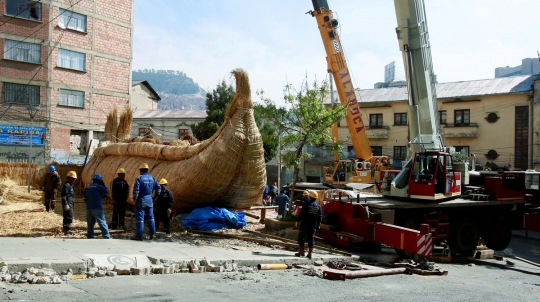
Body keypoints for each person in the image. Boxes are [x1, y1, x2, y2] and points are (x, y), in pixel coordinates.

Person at [131, 163, 160, 241]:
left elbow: (136, 191)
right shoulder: (152, 178)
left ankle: (139, 236)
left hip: (141, 200)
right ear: (147, 170)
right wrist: (155, 198)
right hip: (149, 200)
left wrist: (135, 200)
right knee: (151, 218)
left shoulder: (139, 178)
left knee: (140, 219)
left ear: (140, 170)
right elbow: (158, 189)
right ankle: (152, 234)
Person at [295, 190, 322, 259]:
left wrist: (297, 221)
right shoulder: (318, 206)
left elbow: (301, 213)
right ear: (316, 198)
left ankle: (301, 252)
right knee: (311, 239)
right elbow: (319, 217)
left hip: (304, 224)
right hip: (312, 225)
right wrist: (318, 224)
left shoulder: (306, 204)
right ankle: (310, 254)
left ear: (310, 197)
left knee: (301, 238)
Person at [83, 174, 110, 239]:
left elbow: (84, 198)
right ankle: (106, 236)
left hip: (89, 208)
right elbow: (107, 192)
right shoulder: (99, 187)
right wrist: (103, 185)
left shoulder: (88, 188)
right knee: (102, 222)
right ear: (100, 180)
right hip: (97, 207)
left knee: (90, 224)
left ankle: (90, 236)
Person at [61, 171, 77, 235]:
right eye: (73, 178)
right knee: (68, 216)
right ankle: (67, 230)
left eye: (75, 179)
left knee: (69, 215)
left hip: (70, 202)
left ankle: (66, 229)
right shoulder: (66, 185)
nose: (74, 180)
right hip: (68, 203)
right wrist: (66, 204)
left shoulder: (71, 185)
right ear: (69, 178)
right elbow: (64, 196)